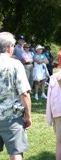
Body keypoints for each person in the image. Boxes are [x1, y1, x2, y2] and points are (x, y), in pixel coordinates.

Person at [0, 32, 32, 160]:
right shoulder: (15, 64)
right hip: (12, 117)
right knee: (16, 153)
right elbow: (24, 93)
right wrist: (28, 116)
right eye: (13, 45)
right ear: (8, 47)